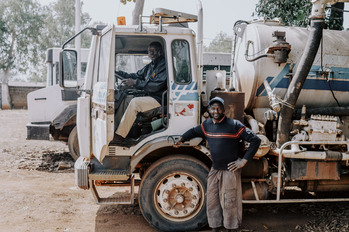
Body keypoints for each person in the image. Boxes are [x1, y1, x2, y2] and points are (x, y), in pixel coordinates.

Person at [175, 96, 261, 232]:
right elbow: (194, 131)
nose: (215, 111)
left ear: (224, 110)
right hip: (214, 169)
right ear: (209, 110)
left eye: (218, 108)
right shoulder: (207, 125)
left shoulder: (234, 125)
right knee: (212, 199)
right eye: (212, 108)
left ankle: (230, 227)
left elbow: (255, 140)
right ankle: (215, 227)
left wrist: (243, 161)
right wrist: (182, 138)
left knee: (229, 200)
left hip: (230, 169)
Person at [114, 41, 167, 145]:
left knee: (135, 103)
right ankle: (117, 128)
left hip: (159, 99)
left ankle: (120, 136)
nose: (150, 53)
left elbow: (156, 85)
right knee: (126, 99)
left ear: (159, 51)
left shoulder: (164, 65)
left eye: (153, 51)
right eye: (149, 51)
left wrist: (134, 83)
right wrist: (119, 73)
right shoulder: (150, 66)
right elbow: (137, 75)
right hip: (150, 96)